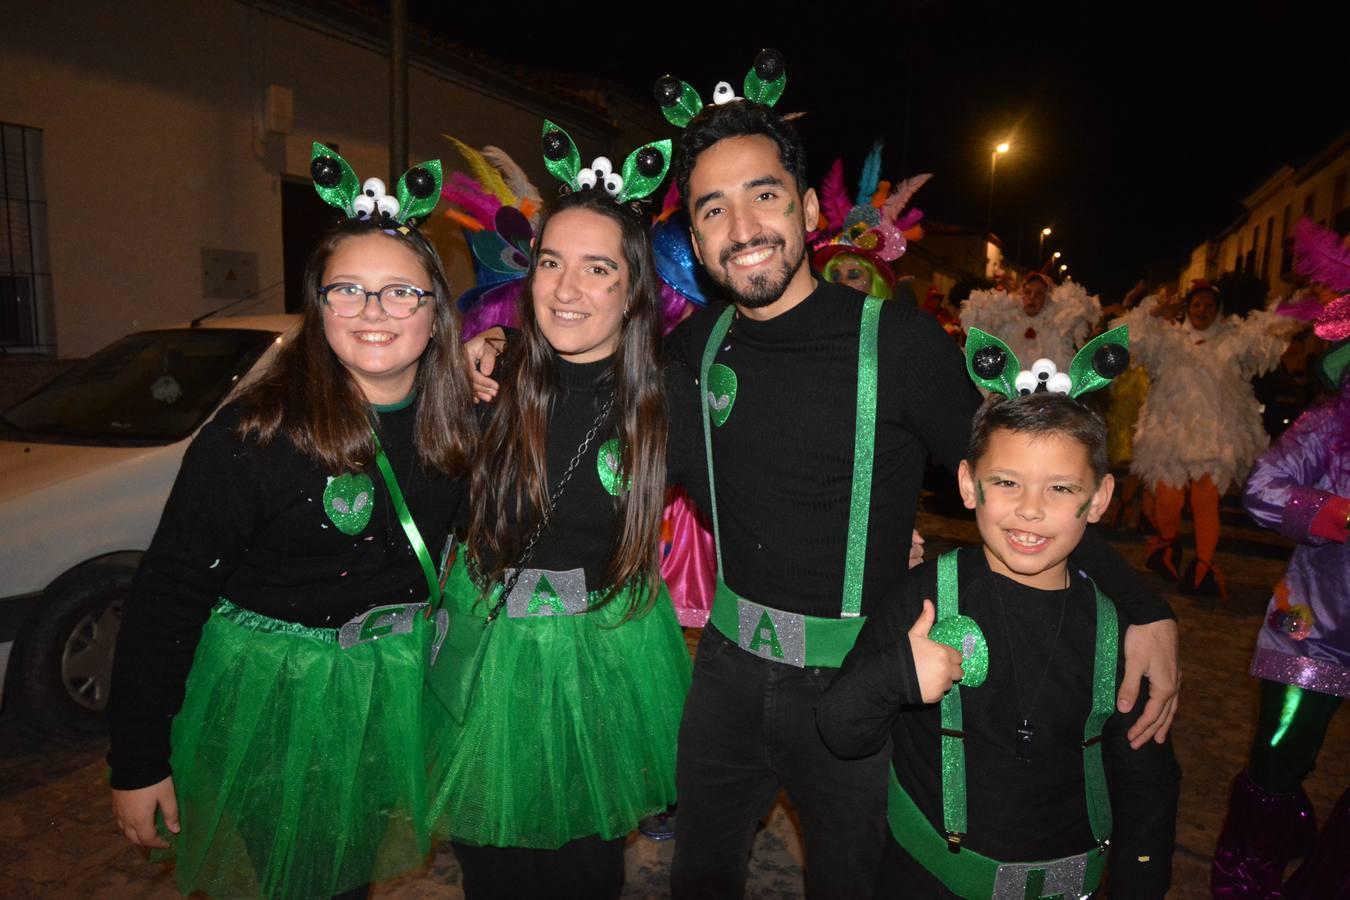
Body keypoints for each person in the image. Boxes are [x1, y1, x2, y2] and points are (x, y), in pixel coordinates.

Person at [470, 64, 1180, 898]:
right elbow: (589, 386)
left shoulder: (904, 346)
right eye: (711, 210)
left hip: (862, 684)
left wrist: (1143, 606)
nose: (742, 227)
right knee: (698, 877)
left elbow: (1025, 480)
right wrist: (498, 354)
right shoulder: (692, 352)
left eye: (763, 196)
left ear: (807, 210)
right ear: (694, 246)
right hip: (727, 676)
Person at [108, 147, 477, 898]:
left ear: (436, 315)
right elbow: (168, 592)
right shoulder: (257, 434)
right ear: (320, 307)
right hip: (277, 709)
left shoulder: (460, 429)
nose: (374, 311)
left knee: (349, 875)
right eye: (349, 290)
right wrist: (138, 759)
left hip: (388, 698)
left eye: (400, 292)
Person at [422, 128, 707, 899]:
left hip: (604, 666)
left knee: (583, 871)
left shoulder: (668, 403)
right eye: (551, 262)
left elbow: (751, 501)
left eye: (597, 268)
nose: (567, 288)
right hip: (486, 664)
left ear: (632, 289)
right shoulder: (482, 382)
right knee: (491, 868)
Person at [818, 349, 1180, 899]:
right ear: (968, 485)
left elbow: (1147, 785)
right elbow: (840, 731)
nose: (1030, 510)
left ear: (1100, 498)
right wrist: (895, 674)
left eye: (1060, 488)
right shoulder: (924, 600)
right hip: (926, 880)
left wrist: (1140, 880)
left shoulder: (1117, 631)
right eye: (1007, 483)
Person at [1211, 237, 1350, 899]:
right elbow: (1263, 488)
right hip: (1313, 627)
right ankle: (1254, 859)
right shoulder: (1327, 428)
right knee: (1280, 756)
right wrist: (1335, 513)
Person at [1117, 280, 1299, 595]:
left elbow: (1273, 330)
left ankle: (1203, 566)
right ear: (1187, 308)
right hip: (1169, 434)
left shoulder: (1233, 340)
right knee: (1168, 501)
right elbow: (1128, 337)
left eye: (1209, 306)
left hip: (1214, 437)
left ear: (1219, 311)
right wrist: (1155, 311)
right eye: (1197, 304)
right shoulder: (1166, 339)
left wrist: (1302, 303)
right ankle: (1167, 546)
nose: (1202, 311)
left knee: (1205, 502)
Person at [960, 272, 1101, 374]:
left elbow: (1084, 321)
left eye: (1039, 293)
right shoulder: (1005, 321)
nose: (1032, 297)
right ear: (1020, 295)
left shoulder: (1058, 328)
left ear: (1047, 299)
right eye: (1028, 292)